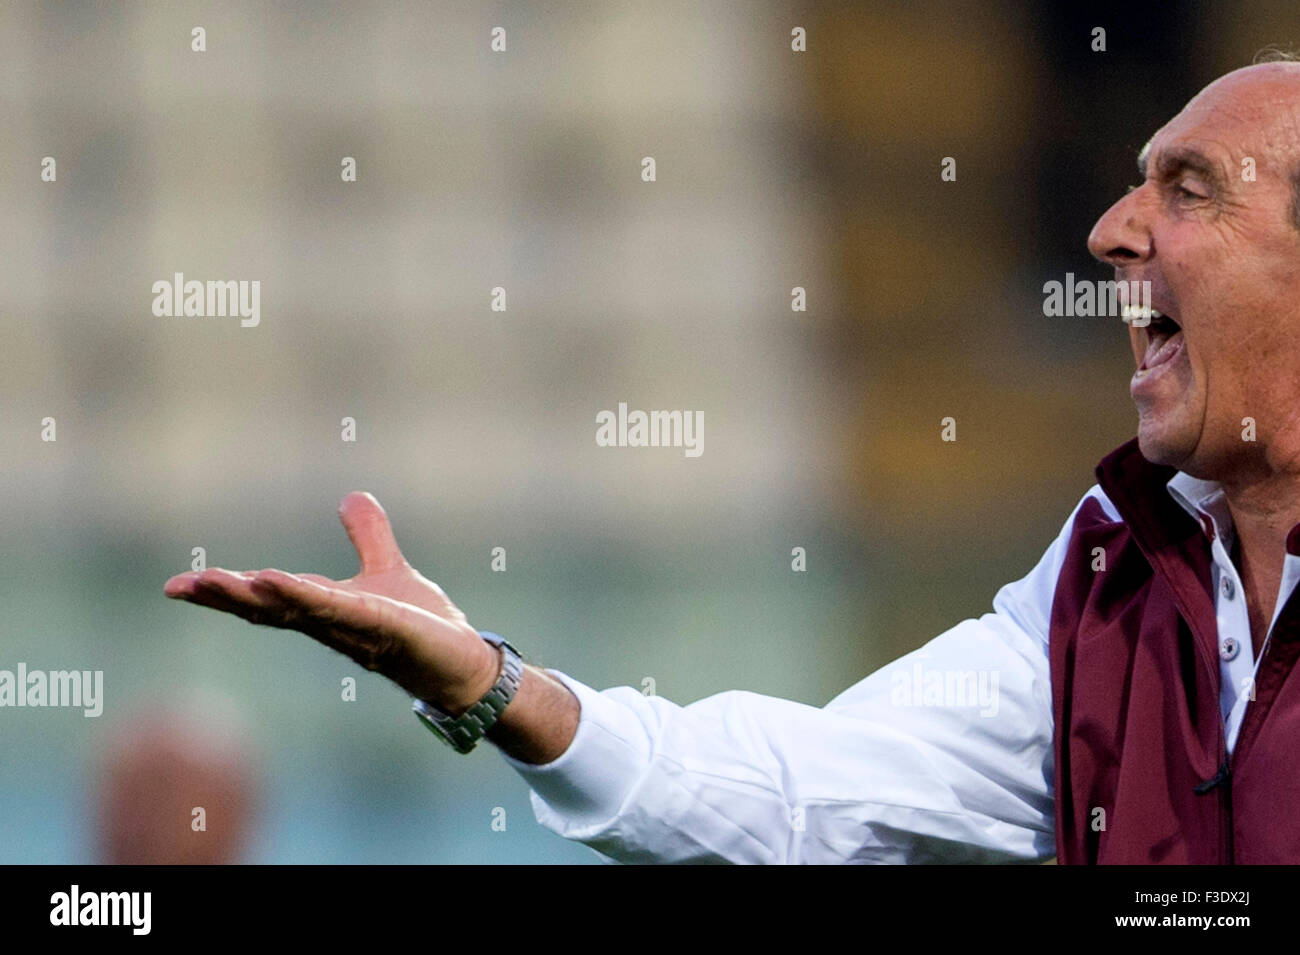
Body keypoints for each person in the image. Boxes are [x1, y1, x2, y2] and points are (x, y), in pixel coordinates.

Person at [165, 60, 1300, 864]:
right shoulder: (1107, 574)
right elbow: (806, 799)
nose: (1109, 227)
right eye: (1137, 180)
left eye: (1187, 189)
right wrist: (491, 683)